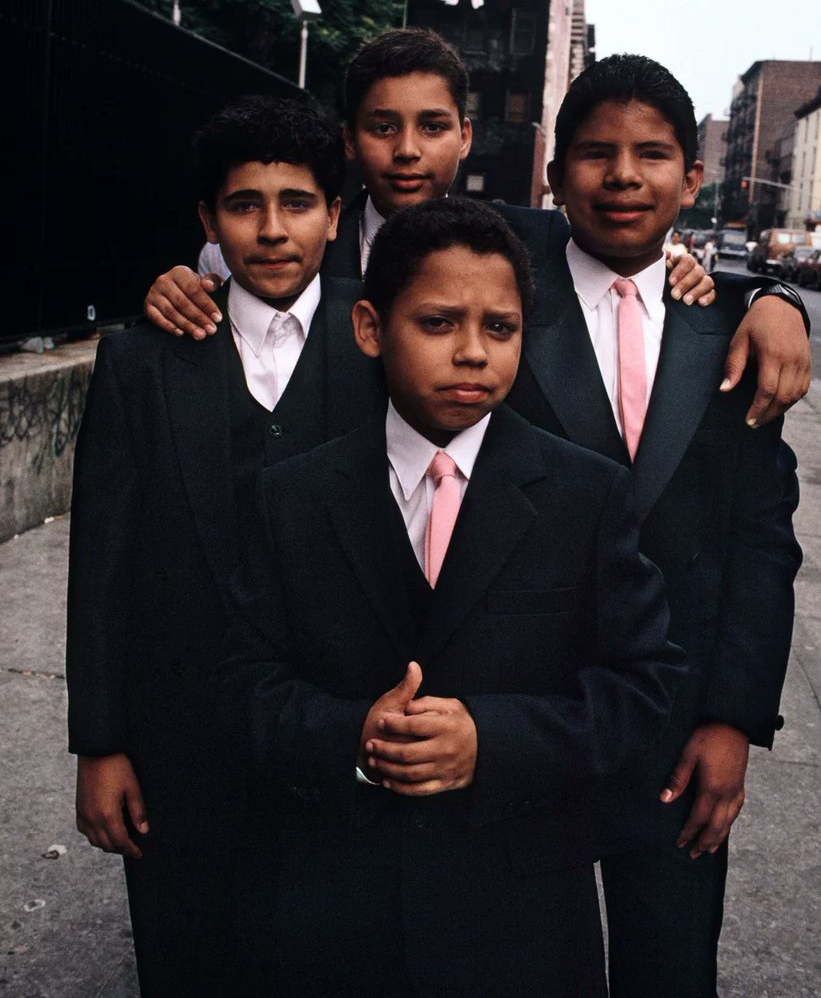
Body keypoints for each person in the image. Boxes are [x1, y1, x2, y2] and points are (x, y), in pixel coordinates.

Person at [223, 196, 685, 997]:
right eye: (437, 324)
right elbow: (241, 681)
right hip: (334, 915)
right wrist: (349, 736)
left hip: (522, 922)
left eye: (498, 328)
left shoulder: (586, 495)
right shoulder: (290, 497)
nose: (472, 353)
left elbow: (643, 687)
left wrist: (493, 739)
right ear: (370, 328)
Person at [66, 96, 386, 996]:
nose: (273, 229)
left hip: (340, 734)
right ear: (208, 220)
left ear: (334, 211)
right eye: (245, 204)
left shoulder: (388, 339)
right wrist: (100, 744)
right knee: (189, 960)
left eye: (297, 202)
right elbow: (102, 566)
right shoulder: (143, 360)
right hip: (181, 741)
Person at [504, 54, 802, 996]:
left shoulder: (729, 336)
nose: (623, 176)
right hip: (520, 721)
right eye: (594, 154)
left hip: (676, 731)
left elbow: (760, 546)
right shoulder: (497, 314)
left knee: (668, 969)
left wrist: (731, 722)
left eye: (651, 154)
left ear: (692, 176)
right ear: (554, 176)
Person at [142, 28, 810, 429]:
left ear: (463, 137)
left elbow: (641, 264)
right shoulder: (299, 248)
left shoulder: (529, 241)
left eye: (431, 126)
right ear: (349, 140)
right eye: (382, 127)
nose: (407, 150)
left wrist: (770, 300)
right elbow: (227, 306)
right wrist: (180, 286)